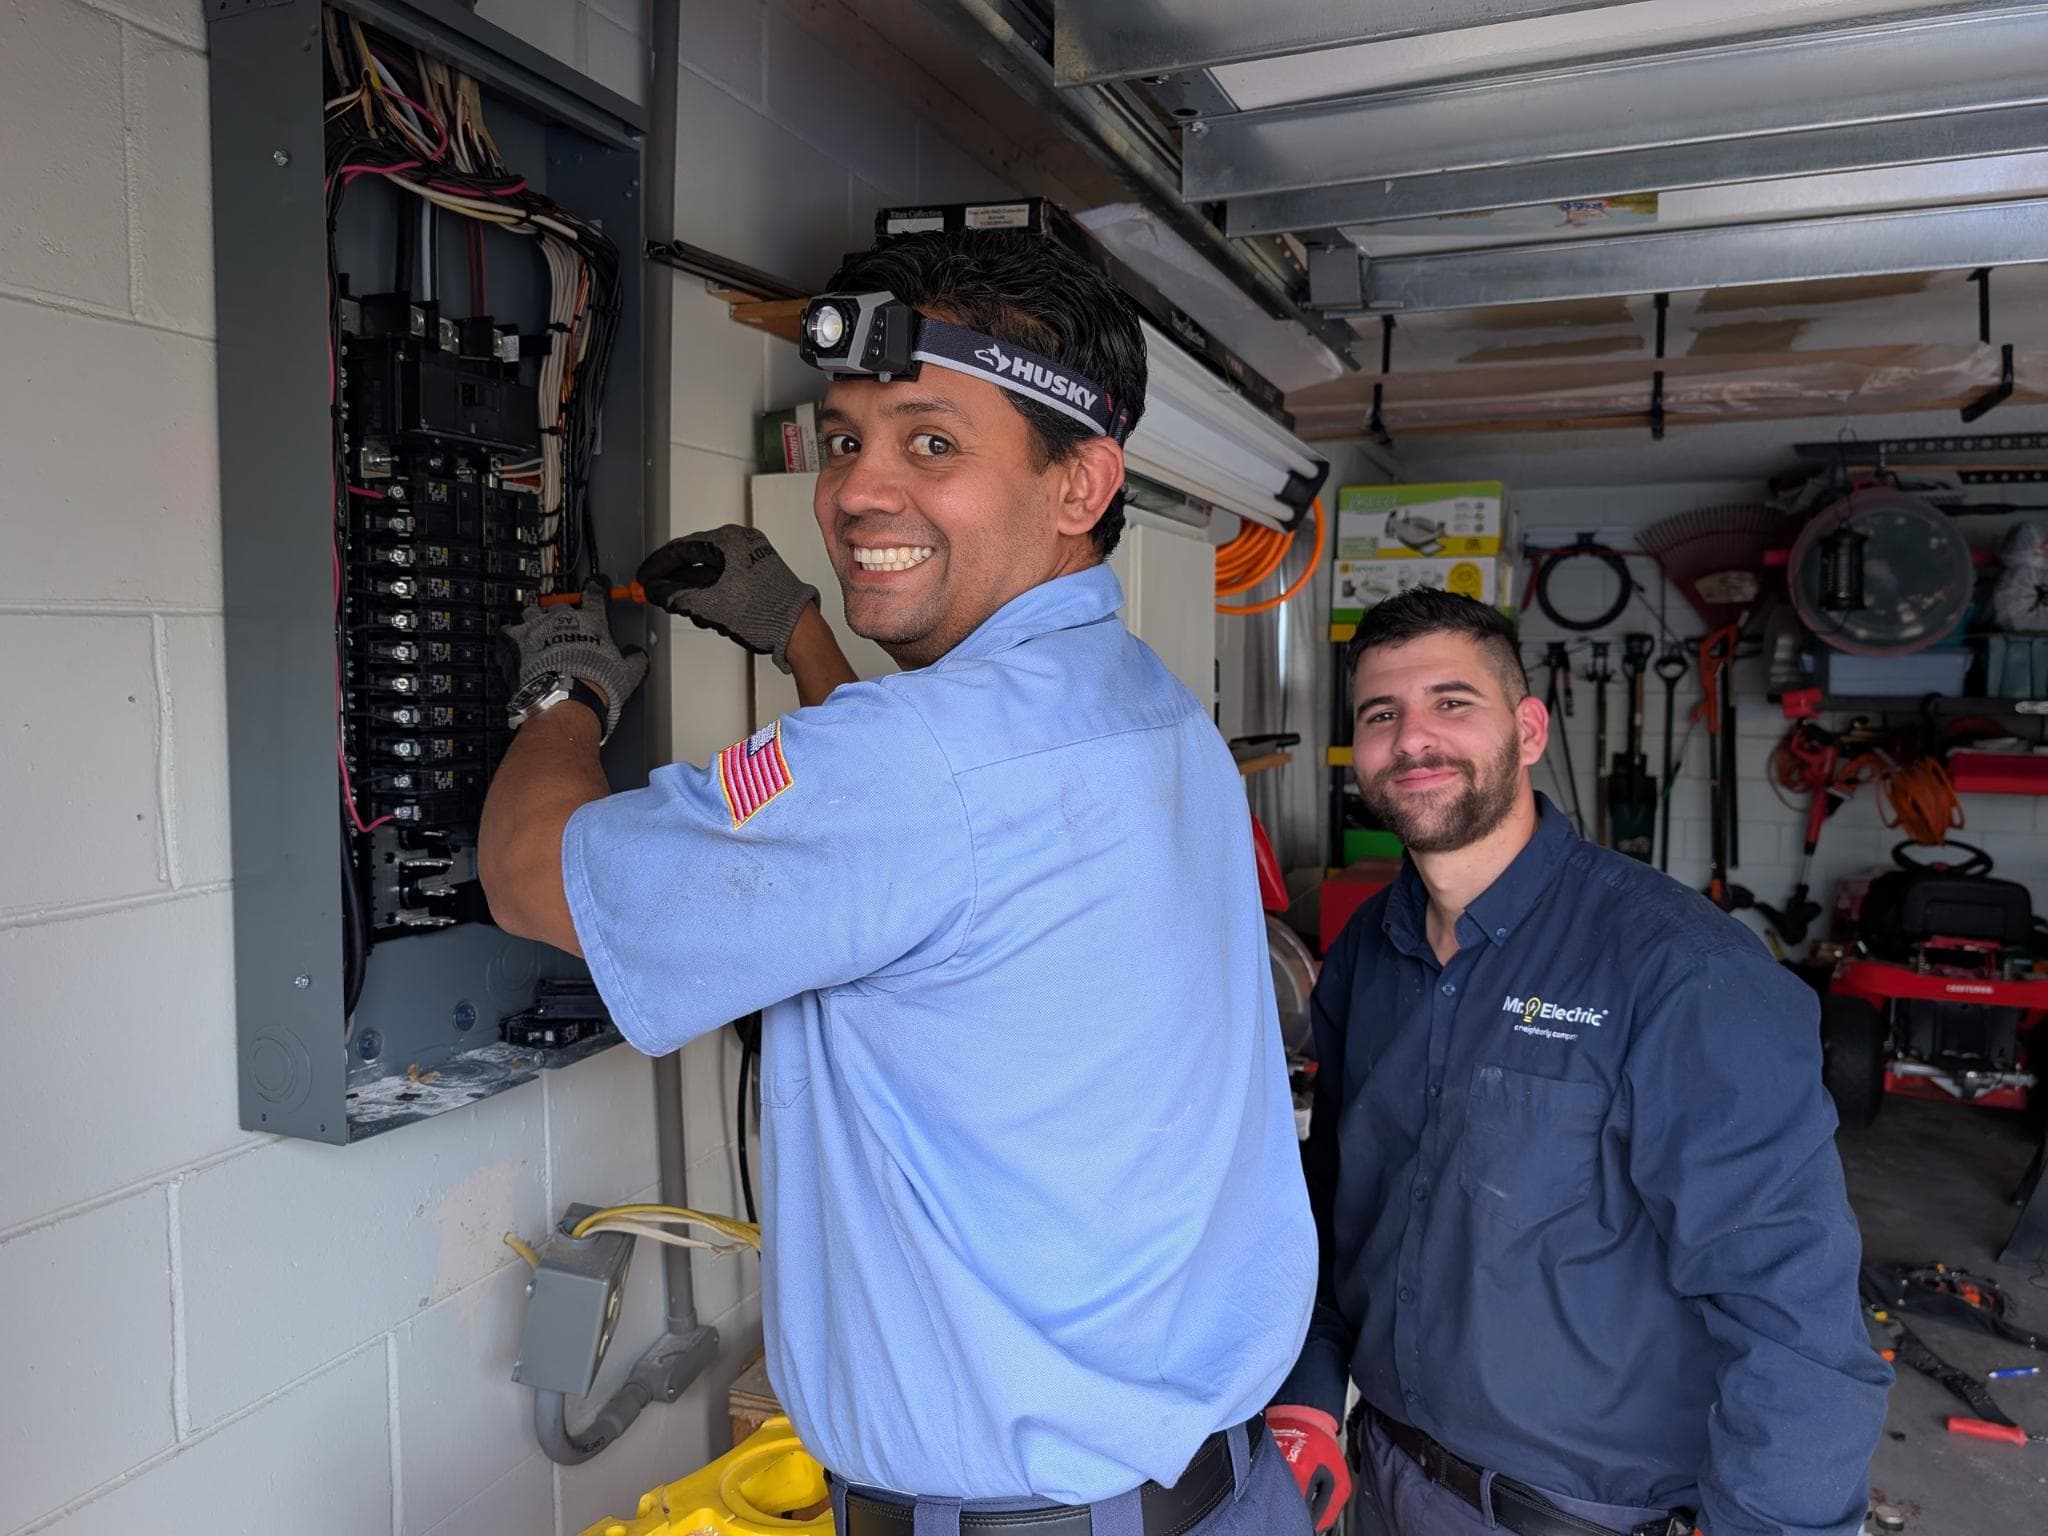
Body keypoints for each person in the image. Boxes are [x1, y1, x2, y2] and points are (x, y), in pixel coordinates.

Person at [478, 229, 1316, 1536]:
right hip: (1210, 1492)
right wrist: (799, 636)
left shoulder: (917, 769)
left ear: (1080, 481)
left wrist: (562, 693)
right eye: (843, 439)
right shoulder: (1146, 706)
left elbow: (535, 876)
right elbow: (926, 852)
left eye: (932, 443)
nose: (857, 491)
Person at [1267, 589, 1891, 1536]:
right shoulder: (1367, 954)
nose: (1414, 738)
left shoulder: (1683, 972)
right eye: (1381, 714)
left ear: (1528, 730)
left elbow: (1789, 1310)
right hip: (1384, 1476)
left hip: (1582, 1515)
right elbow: (1334, 1203)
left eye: (1451, 702)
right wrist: (1311, 1392)